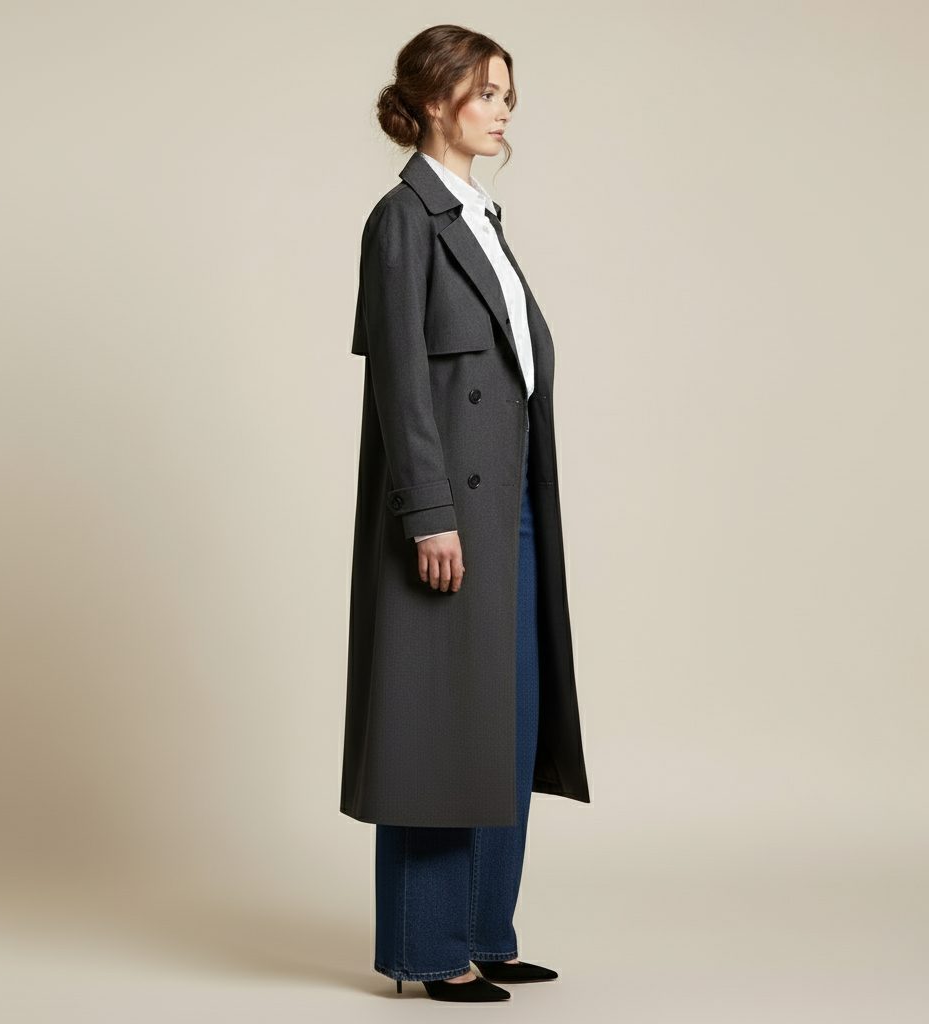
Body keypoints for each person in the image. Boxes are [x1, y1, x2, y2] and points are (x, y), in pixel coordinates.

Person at [340, 24, 591, 1003]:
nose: (503, 110)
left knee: (506, 718)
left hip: (513, 507)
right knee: (436, 723)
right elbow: (402, 384)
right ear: (434, 99)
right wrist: (428, 512)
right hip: (445, 516)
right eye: (487, 92)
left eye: (507, 95)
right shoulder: (404, 219)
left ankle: (487, 930)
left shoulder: (482, 219)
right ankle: (428, 947)